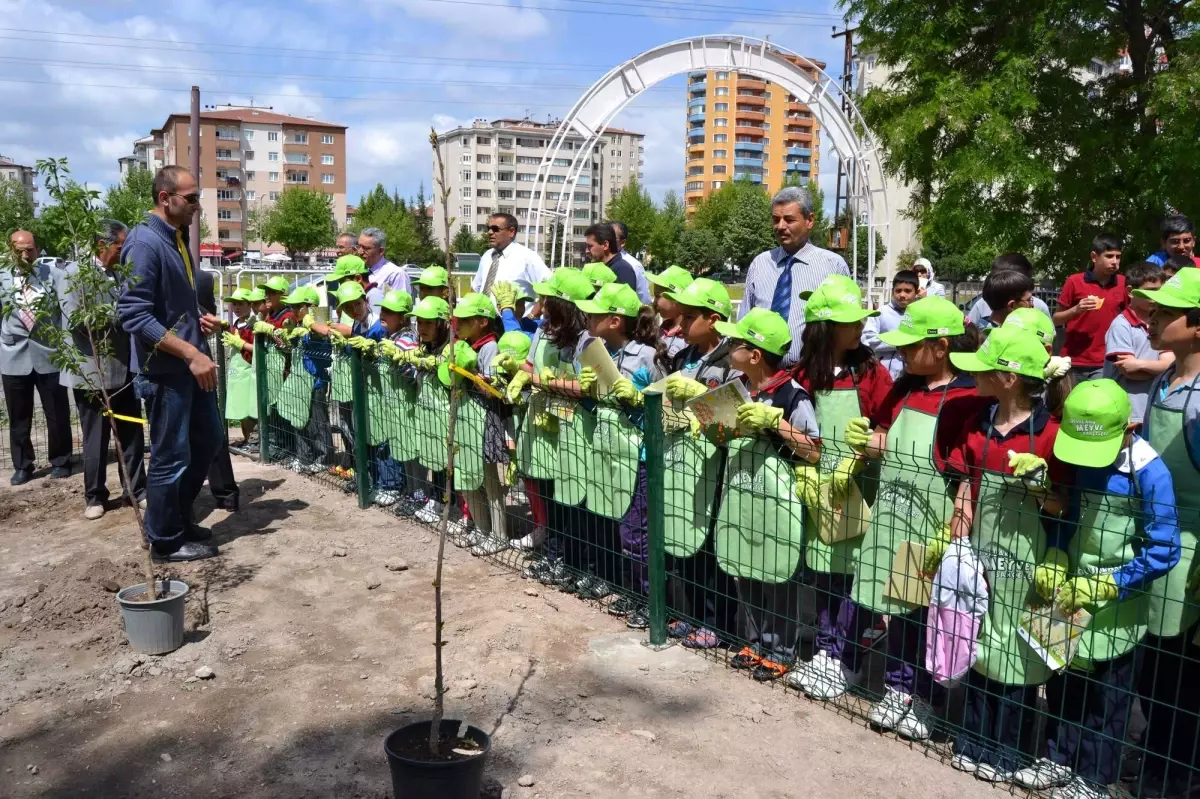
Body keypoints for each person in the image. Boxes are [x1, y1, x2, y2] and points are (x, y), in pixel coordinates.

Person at [1014, 380, 1179, 797]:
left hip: (1118, 606)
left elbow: (1165, 548)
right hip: (1070, 592)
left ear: (1129, 428)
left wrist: (1113, 582)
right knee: (1062, 680)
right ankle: (1057, 756)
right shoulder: (1081, 458)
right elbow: (1066, 514)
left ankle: (1093, 778)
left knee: (1109, 699)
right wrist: (1055, 553)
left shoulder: (1150, 473)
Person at [843, 296, 988, 741]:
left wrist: (953, 533)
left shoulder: (967, 399)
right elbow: (888, 438)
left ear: (941, 347)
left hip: (933, 528)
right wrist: (866, 441)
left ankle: (927, 700)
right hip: (894, 519)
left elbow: (966, 475)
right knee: (899, 613)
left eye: (910, 346)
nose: (902, 353)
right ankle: (897, 688)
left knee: (931, 617)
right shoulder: (904, 389)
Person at [939, 327, 1067, 781]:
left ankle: (1009, 753)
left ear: (1009, 378)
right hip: (982, 557)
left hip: (1030, 567)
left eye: (986, 368)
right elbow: (967, 488)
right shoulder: (980, 424)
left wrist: (1041, 487)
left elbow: (1060, 506)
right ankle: (973, 741)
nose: (975, 374)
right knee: (980, 645)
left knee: (1019, 655)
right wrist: (957, 535)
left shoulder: (1050, 433)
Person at [790, 275, 893, 699]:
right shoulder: (801, 374)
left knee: (856, 576)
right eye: (852, 322)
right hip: (820, 491)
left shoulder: (871, 371)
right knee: (825, 572)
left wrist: (863, 451)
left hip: (860, 489)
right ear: (825, 328)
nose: (860, 328)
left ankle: (844, 657)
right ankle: (829, 647)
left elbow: (889, 426)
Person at [708, 308, 821, 682]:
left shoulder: (792, 394)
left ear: (755, 354)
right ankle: (755, 641)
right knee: (746, 565)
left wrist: (778, 423)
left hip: (778, 500)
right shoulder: (739, 385)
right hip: (743, 493)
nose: (729, 349)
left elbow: (814, 449)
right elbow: (722, 436)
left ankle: (782, 648)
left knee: (778, 572)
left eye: (735, 344)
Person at [117, 165, 222, 562]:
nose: (198, 206)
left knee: (208, 439)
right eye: (191, 198)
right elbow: (134, 315)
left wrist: (197, 317)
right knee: (169, 455)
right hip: (165, 372)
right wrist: (191, 351)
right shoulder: (145, 243)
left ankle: (177, 517)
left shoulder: (175, 238)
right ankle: (164, 541)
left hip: (188, 368)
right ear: (166, 198)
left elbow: (170, 301)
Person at [1133, 267, 1200, 796]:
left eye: (1163, 313)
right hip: (1152, 541)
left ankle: (1175, 773)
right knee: (1152, 664)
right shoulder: (1162, 380)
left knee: (1182, 673)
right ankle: (1156, 755)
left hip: (1190, 551)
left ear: (1196, 326)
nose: (1150, 319)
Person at [659, 278, 742, 649]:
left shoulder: (731, 360)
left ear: (712, 319)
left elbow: (734, 421)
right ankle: (691, 615)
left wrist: (702, 397)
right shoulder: (683, 356)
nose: (679, 324)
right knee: (685, 539)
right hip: (684, 461)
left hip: (717, 463)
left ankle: (718, 621)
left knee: (711, 548)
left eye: (688, 316)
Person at [575, 282, 661, 628]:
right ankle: (630, 589)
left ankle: (648, 598)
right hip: (611, 452)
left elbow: (663, 409)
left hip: (639, 454)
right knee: (620, 528)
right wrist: (589, 393)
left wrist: (639, 397)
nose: (587, 317)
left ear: (614, 320)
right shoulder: (602, 353)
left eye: (594, 313)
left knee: (637, 533)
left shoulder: (647, 357)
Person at [53, 219, 145, 519]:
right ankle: (94, 496)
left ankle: (137, 490)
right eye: (121, 246)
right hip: (92, 373)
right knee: (96, 439)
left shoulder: (120, 274)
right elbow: (79, 321)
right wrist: (123, 314)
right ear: (103, 245)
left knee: (131, 434)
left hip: (124, 369)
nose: (124, 252)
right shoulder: (74, 275)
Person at [739, 186, 852, 367]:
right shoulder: (760, 263)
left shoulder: (833, 266)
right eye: (776, 220)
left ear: (810, 220)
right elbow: (744, 321)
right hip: (763, 375)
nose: (780, 226)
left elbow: (846, 326)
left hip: (813, 375)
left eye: (789, 220)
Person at [1, 229, 73, 485]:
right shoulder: (2, 277)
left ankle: (62, 460)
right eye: (18, 249)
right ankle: (23, 465)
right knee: (18, 417)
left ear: (38, 250)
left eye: (29, 249)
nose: (24, 254)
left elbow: (65, 311)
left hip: (49, 355)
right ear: (11, 250)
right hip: (13, 355)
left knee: (57, 413)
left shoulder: (52, 274)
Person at [447, 292, 511, 557]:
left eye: (464, 320)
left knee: (489, 479)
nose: (458, 324)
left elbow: (494, 390)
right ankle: (481, 529)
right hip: (466, 418)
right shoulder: (466, 345)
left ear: (482, 322)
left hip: (485, 418)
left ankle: (499, 534)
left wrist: (472, 376)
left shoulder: (489, 348)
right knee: (467, 474)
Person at [1105, 261, 1173, 427]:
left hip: (1155, 407)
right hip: (1129, 411)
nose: (1156, 296)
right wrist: (1162, 369)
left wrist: (1139, 364)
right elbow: (1130, 372)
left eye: (1160, 291)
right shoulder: (1121, 325)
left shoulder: (1161, 322)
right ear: (1130, 292)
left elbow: (1170, 364)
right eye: (1150, 291)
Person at [1053, 234, 1128, 382]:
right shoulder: (1074, 281)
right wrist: (1076, 310)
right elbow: (1056, 320)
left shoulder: (1123, 283)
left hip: (1105, 361)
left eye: (1118, 257)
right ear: (1094, 257)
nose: (1115, 262)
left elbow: (1129, 317)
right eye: (1109, 256)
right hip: (1073, 360)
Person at [196, 266, 240, 512]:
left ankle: (222, 492)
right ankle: (225, 492)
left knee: (209, 428)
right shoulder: (202, 276)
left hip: (190, 363)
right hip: (196, 359)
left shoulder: (200, 278)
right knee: (211, 428)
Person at [472, 212, 551, 301]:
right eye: (488, 228)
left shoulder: (527, 257)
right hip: (485, 314)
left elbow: (549, 288)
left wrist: (532, 314)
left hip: (516, 314)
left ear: (511, 232)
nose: (490, 232)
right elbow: (476, 287)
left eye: (495, 229)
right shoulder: (487, 256)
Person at [965, 253, 1053, 327]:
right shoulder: (982, 304)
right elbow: (970, 332)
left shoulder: (1039, 306)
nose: (1031, 304)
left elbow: (1048, 336)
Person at [862, 269, 919, 379]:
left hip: (914, 375)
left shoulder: (920, 314)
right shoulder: (881, 313)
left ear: (916, 292)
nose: (902, 295)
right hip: (886, 375)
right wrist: (896, 343)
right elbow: (867, 340)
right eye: (898, 290)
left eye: (907, 291)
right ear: (892, 291)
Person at [221, 288, 259, 451]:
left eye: (240, 304)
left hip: (248, 371)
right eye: (234, 304)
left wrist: (241, 344)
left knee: (251, 408)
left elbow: (257, 349)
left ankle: (254, 441)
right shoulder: (237, 324)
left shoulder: (254, 324)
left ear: (250, 304)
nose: (236, 308)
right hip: (237, 374)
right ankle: (246, 439)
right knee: (241, 409)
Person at [646, 265, 693, 359]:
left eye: (657, 296)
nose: (654, 301)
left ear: (674, 298)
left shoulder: (687, 336)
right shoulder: (662, 329)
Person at [357, 227, 412, 296]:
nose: (360, 252)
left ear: (381, 251)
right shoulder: (357, 270)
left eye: (366, 248)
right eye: (359, 246)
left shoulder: (395, 274)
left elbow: (401, 304)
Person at [583, 223, 637, 292]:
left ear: (605, 245)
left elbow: (625, 301)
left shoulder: (622, 269)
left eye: (590, 246)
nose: (586, 251)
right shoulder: (601, 267)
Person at [610, 221, 652, 303]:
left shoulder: (634, 265)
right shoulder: (599, 262)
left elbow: (644, 299)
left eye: (611, 238)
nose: (607, 241)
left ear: (622, 242)